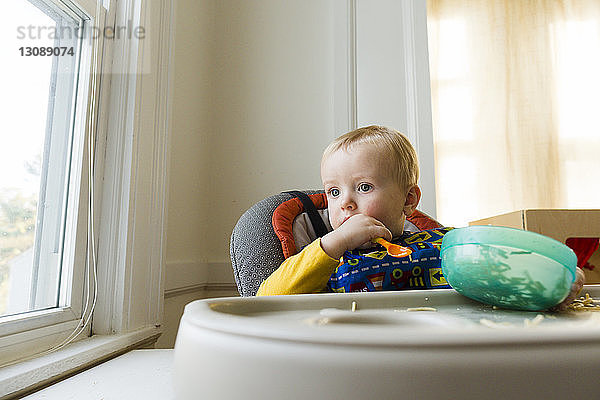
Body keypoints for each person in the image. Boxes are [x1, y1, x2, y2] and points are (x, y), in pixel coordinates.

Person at [256, 125, 584, 309]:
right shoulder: (325, 260)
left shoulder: (442, 245)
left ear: (409, 199)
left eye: (364, 187)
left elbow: (501, 273)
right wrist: (331, 245)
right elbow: (267, 300)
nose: (346, 204)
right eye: (334, 192)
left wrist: (556, 283)